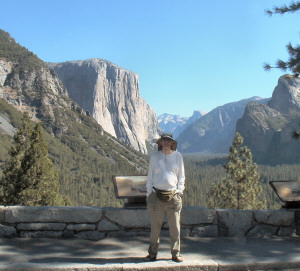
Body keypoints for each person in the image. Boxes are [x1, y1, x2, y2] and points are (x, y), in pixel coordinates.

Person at [145, 133, 185, 262]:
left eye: (169, 140)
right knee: (155, 227)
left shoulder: (178, 157)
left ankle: (176, 253)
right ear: (160, 142)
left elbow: (181, 176)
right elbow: (150, 176)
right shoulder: (154, 157)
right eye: (164, 140)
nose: (166, 142)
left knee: (175, 227)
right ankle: (152, 253)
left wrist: (179, 191)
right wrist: (149, 193)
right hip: (156, 195)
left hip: (173, 196)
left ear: (172, 142)